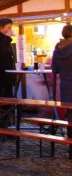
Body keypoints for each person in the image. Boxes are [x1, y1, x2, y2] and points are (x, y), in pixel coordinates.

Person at [51, 23, 72, 157]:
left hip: (65, 86)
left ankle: (71, 148)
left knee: (70, 117)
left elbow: (55, 70)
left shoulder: (58, 49)